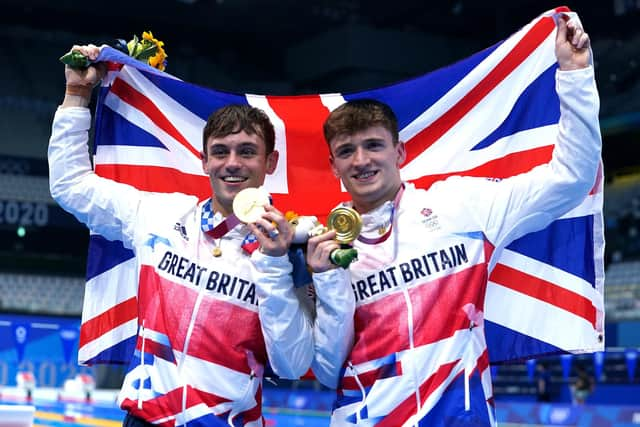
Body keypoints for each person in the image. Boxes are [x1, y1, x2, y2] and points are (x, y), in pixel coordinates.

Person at [306, 13, 601, 426]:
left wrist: (574, 75)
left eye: (373, 145)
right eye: (346, 151)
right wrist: (326, 278)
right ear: (334, 166)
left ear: (400, 152)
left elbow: (572, 178)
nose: (361, 160)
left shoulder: (463, 206)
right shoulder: (327, 247)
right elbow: (327, 367)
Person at [48, 44, 351, 427]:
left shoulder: (294, 243)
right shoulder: (159, 215)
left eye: (247, 151)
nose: (232, 164)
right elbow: (70, 185)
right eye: (220, 152)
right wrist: (76, 95)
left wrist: (274, 263)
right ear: (204, 160)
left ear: (270, 162)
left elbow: (291, 364)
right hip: (146, 419)